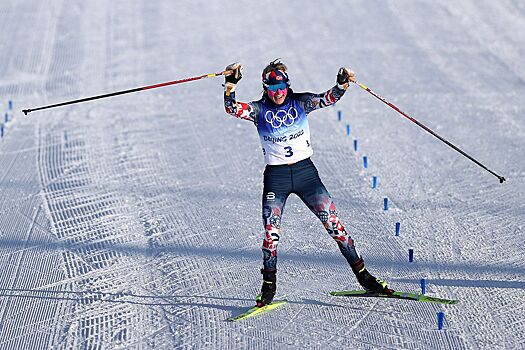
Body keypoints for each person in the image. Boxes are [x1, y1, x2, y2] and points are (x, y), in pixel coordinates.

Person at [223, 59, 392, 307]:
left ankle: (365, 278)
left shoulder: (301, 102)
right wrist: (230, 86)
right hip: (276, 178)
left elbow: (328, 98)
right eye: (272, 89)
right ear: (265, 88)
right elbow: (232, 109)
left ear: (288, 86)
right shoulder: (259, 110)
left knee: (335, 227)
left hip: (306, 175)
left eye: (281, 88)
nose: (278, 93)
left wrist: (342, 83)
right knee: (271, 235)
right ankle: (268, 288)